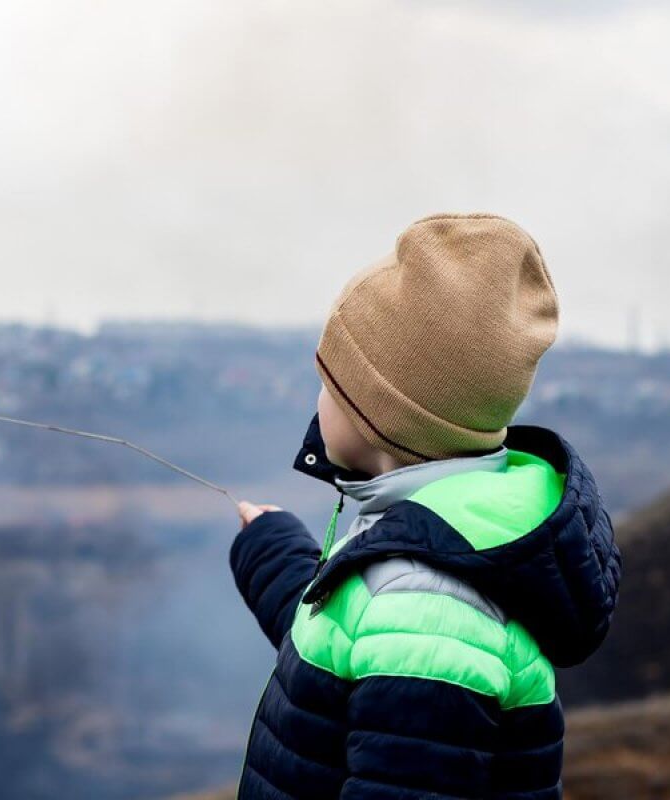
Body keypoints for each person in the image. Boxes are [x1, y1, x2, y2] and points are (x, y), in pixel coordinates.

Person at [230, 213, 623, 799]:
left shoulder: (427, 599)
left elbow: (401, 638)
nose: (317, 401)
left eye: (329, 384)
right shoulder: (434, 549)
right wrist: (273, 552)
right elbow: (361, 648)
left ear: (376, 415)